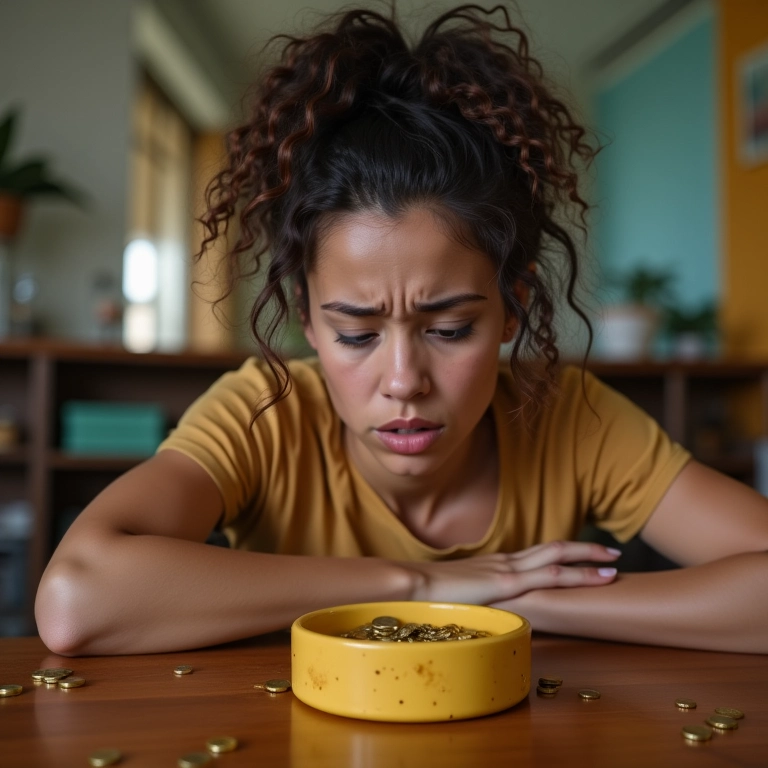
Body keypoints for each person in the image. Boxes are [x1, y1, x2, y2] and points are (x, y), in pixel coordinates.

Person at [36, 4, 768, 656]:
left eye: (450, 329)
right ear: (307, 323)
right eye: (356, 334)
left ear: (512, 308)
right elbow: (76, 600)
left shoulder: (565, 413)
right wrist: (421, 585)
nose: (402, 381)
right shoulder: (265, 412)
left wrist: (516, 600)